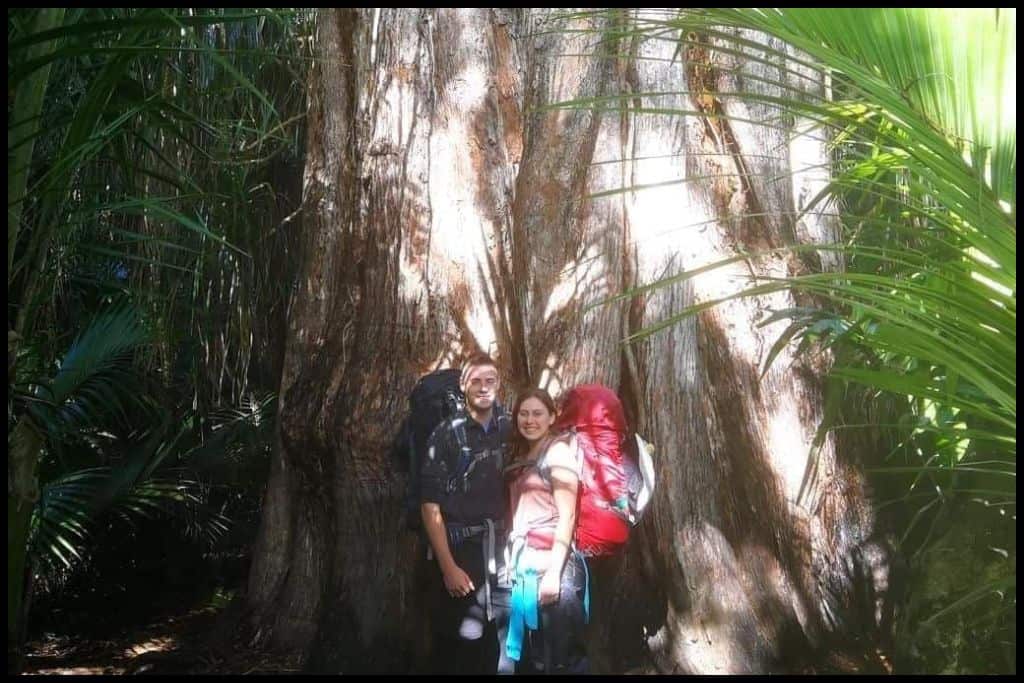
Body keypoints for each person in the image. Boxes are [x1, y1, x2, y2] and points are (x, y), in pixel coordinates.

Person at [419, 353, 514, 674]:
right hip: (462, 552)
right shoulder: (446, 434)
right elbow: (429, 504)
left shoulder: (512, 427)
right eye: (476, 381)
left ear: (500, 384)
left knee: (503, 641)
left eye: (490, 381)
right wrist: (448, 567)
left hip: (504, 552)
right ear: (463, 385)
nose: (484, 388)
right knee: (463, 640)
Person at [503, 388, 588, 674]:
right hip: (528, 567)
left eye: (537, 413)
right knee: (537, 660)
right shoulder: (525, 455)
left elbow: (568, 515)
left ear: (552, 417)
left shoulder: (558, 451)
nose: (529, 420)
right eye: (523, 414)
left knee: (562, 661)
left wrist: (553, 572)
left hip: (557, 571)